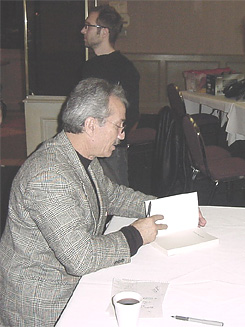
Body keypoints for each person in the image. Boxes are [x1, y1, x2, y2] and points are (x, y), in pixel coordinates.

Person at [0, 78, 206, 326]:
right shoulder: (48, 177)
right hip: (45, 304)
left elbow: (114, 196)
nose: (122, 135)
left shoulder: (80, 155)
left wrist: (170, 209)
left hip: (73, 284)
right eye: (118, 126)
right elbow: (81, 258)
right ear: (90, 125)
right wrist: (135, 235)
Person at [81, 5, 140, 186]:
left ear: (104, 32)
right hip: (84, 146)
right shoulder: (87, 68)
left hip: (110, 150)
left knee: (116, 203)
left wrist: (112, 142)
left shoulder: (125, 69)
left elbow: (132, 114)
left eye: (88, 26)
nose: (83, 30)